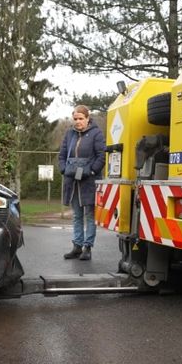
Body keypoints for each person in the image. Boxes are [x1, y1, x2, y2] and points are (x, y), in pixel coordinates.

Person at [58, 105, 106, 261]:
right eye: (75, 119)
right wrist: (64, 170)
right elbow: (62, 155)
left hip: (89, 182)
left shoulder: (96, 133)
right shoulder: (69, 134)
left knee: (90, 216)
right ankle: (77, 247)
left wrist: (91, 171)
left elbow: (101, 156)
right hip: (72, 182)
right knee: (77, 216)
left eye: (81, 118)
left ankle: (87, 247)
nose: (78, 122)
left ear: (87, 118)